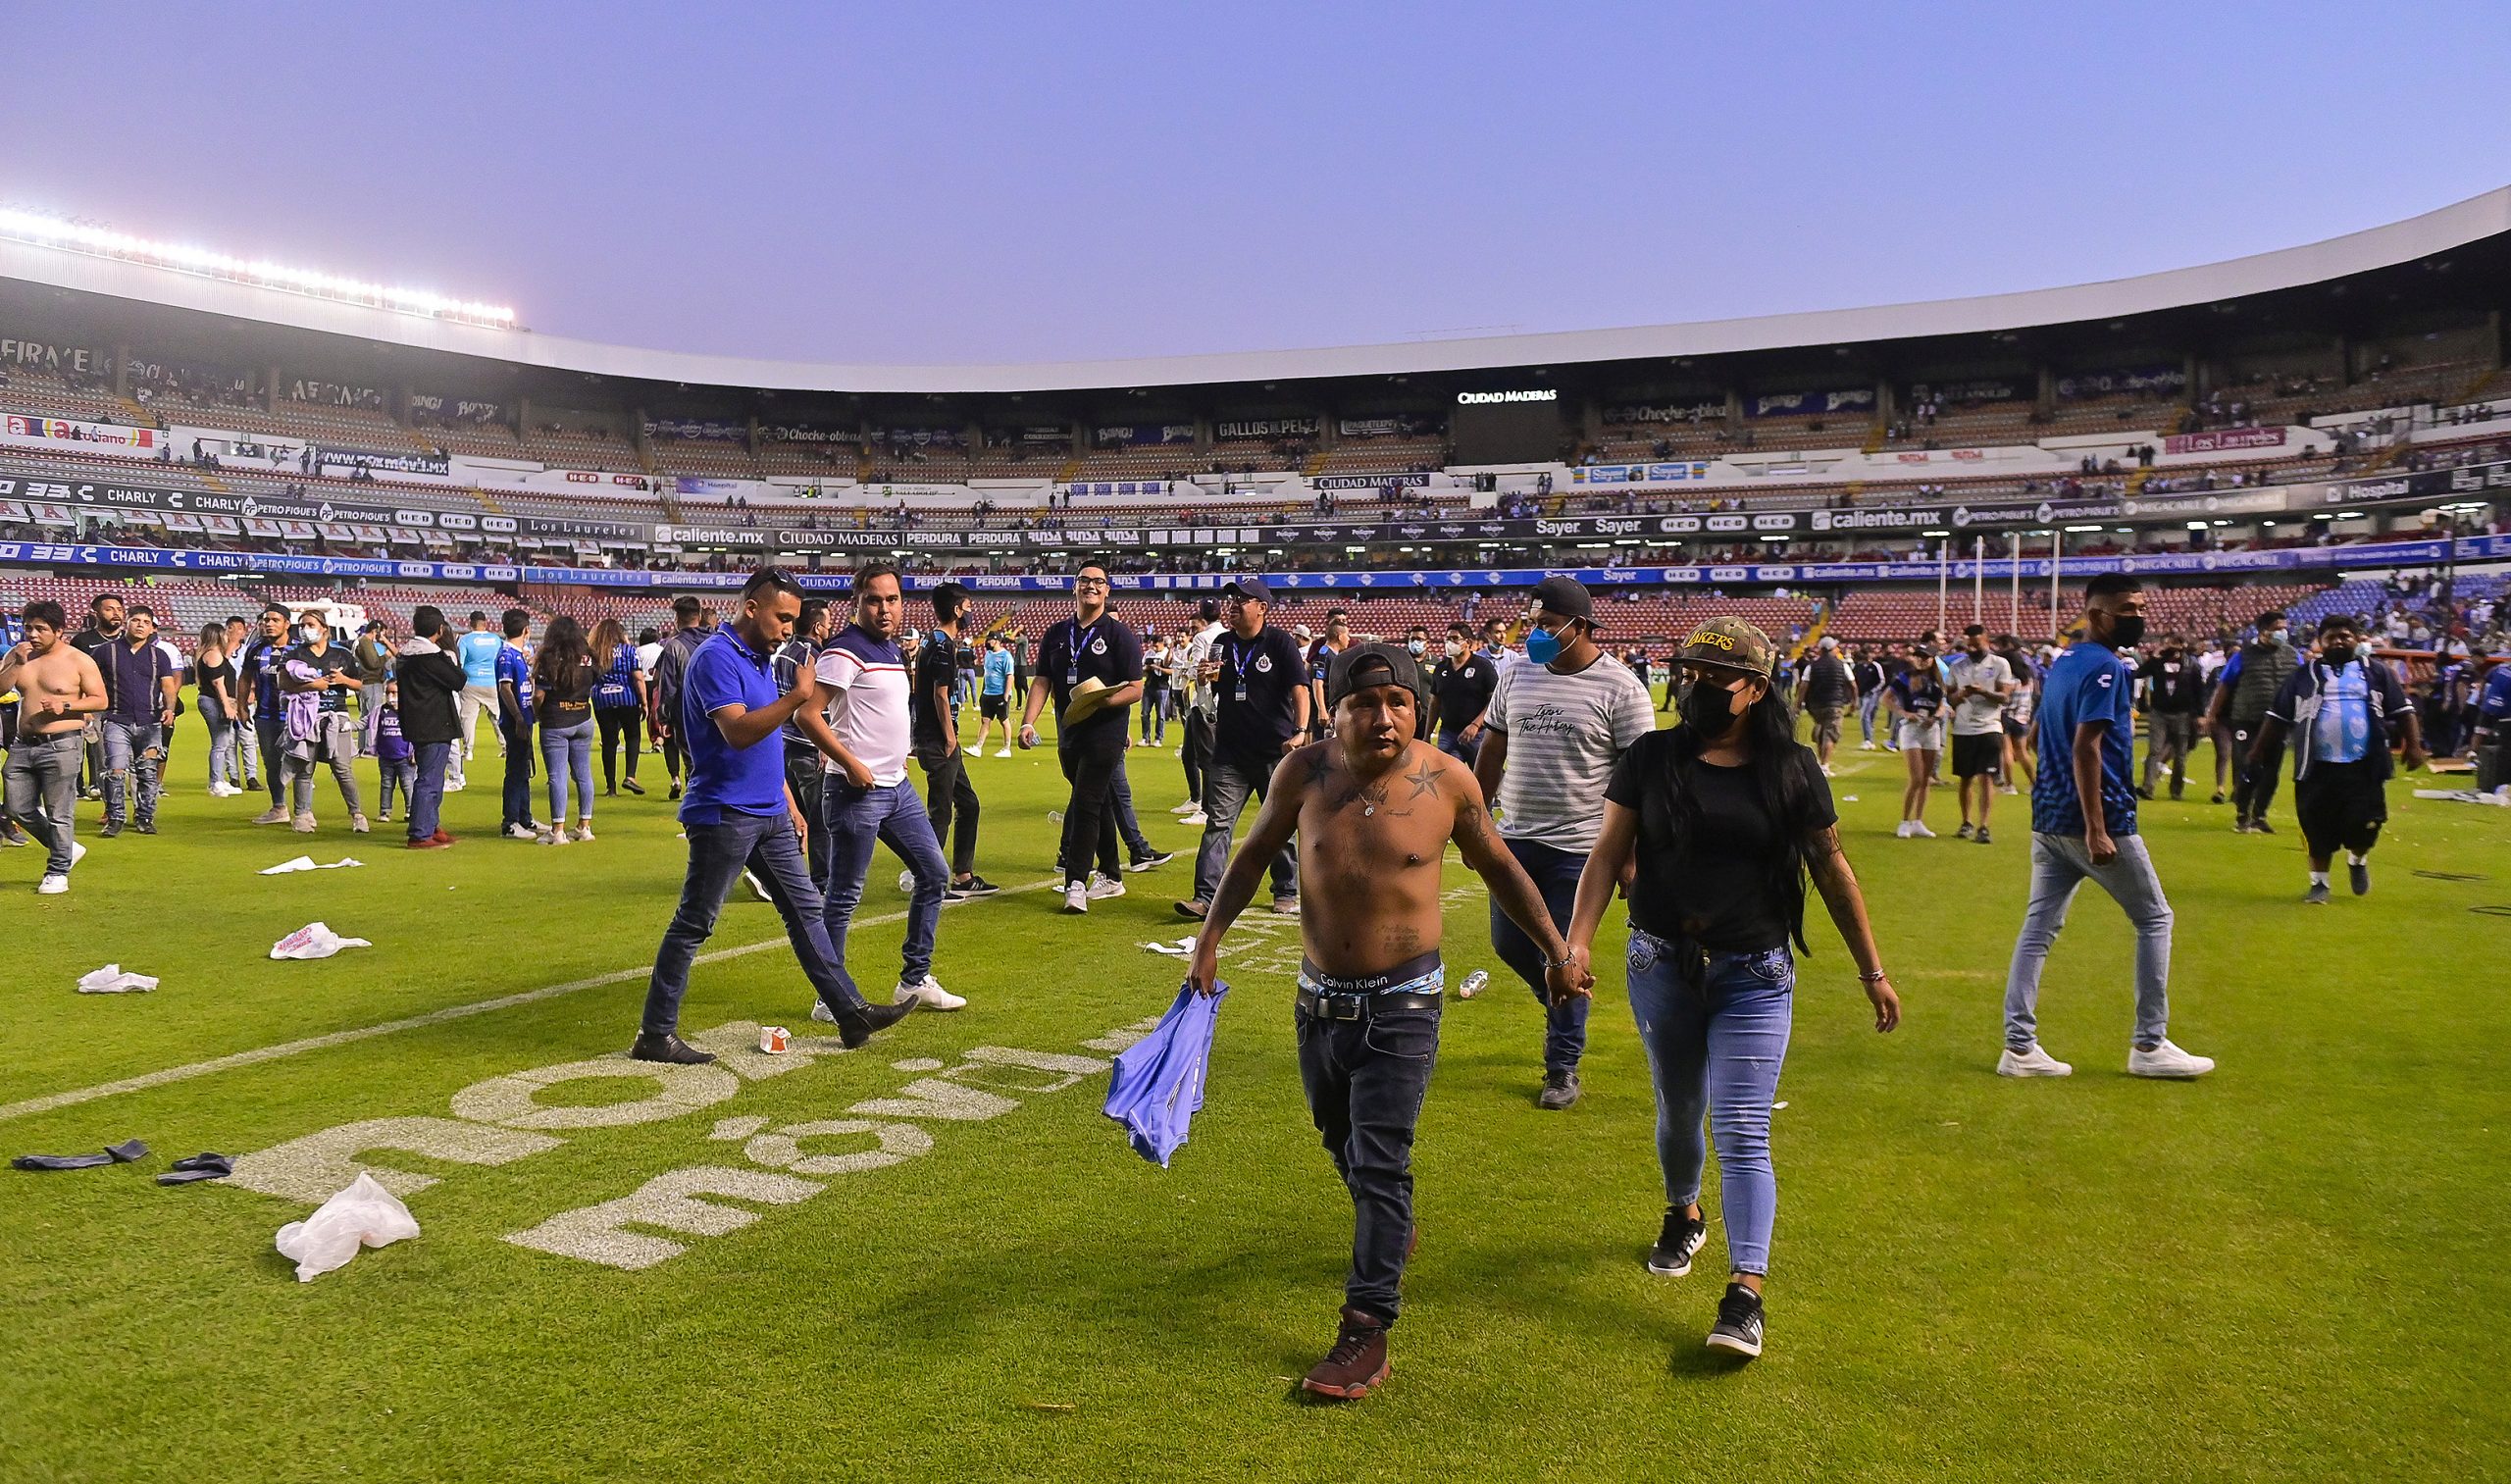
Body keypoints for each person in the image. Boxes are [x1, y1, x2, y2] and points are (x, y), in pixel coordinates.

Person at [1182, 642, 1590, 1401]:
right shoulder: (1302, 774)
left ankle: (1365, 1330)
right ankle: (1390, 1226)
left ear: (1418, 707)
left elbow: (1499, 864)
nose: (1383, 717)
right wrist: (1209, 939)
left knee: (1380, 1161)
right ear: (1333, 710)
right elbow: (1253, 852)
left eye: (1398, 702)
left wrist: (1559, 950)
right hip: (1318, 1002)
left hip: (1405, 1003)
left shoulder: (1448, 780)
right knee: (1340, 1141)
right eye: (1363, 703)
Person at [1563, 617, 1899, 1362]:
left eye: (1717, 678)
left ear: (1755, 688)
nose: (1698, 688)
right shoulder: (1651, 757)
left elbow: (1832, 870)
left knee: (1743, 1129)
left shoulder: (1790, 767)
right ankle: (1684, 1210)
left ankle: (1745, 1292)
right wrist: (1578, 936)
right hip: (1661, 963)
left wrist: (1870, 968)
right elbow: (1606, 854)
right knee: (1680, 1110)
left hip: (1753, 972)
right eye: (1690, 674)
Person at [633, 567, 916, 1065]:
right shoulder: (716, 658)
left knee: (807, 913)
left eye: (793, 620)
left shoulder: (760, 657)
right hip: (725, 813)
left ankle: (850, 1014)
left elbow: (763, 745)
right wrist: (796, 699)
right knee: (696, 921)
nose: (790, 628)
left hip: (768, 812)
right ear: (751, 609)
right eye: (782, 618)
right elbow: (738, 732)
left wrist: (786, 798)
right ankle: (655, 1033)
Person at [2000, 574, 2214, 1080]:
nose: (2138, 617)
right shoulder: (2104, 668)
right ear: (2097, 615)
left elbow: (2041, 733)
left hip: (2049, 817)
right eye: (2128, 609)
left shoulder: (2066, 661)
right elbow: (2086, 746)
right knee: (2154, 919)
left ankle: (2019, 1047)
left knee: (2039, 929)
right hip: (2096, 819)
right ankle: (2149, 1043)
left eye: (2141, 607)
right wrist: (2098, 828)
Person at [1472, 575, 1655, 1110]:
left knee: (1566, 950)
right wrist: (1474, 817)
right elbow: (1493, 746)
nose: (1536, 635)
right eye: (1533, 624)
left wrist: (1629, 856)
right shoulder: (1515, 672)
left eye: (1548, 626)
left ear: (1580, 627)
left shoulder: (1622, 688)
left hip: (1583, 848)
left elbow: (1640, 781)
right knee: (1509, 944)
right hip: (1514, 839)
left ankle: (1562, 1066)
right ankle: (1566, 994)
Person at [808, 563, 966, 1013]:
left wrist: (895, 761)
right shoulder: (843, 650)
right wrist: (851, 764)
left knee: (934, 873)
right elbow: (808, 714)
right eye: (874, 600)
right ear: (856, 602)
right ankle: (829, 997)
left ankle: (913, 981)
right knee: (843, 897)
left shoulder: (893, 650)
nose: (885, 608)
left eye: (893, 599)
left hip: (896, 787)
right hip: (856, 789)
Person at [2252, 615, 2425, 904]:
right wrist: (2257, 751)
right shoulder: (2302, 676)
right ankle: (2319, 884)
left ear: (2357, 640)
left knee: (2366, 824)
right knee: (2316, 826)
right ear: (2320, 642)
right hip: (2316, 767)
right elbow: (2276, 716)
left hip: (2364, 766)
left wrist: (2415, 747)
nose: (2338, 641)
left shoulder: (2377, 673)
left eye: (2345, 636)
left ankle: (2357, 860)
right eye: (2331, 637)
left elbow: (2404, 711)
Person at [1178, 575, 1308, 921]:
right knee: (1217, 824)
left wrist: (1300, 731)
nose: (1232, 606)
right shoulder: (1222, 641)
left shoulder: (1280, 643)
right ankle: (1205, 897)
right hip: (1230, 752)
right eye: (1231, 600)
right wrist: (1206, 677)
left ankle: (1286, 889)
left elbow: (1300, 689)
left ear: (1262, 608)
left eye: (1242, 601)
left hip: (1273, 752)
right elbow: (1217, 684)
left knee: (1279, 825)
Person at [1019, 560, 1146, 914]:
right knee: (1097, 801)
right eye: (1084, 580)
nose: (1091, 586)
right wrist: (1028, 722)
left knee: (1087, 801)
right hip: (1069, 731)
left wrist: (1101, 702)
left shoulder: (1120, 635)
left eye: (1099, 582)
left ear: (1107, 590)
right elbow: (1042, 681)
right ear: (1074, 586)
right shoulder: (1057, 634)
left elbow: (1135, 688)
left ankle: (1075, 881)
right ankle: (1112, 875)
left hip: (1106, 731)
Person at [2, 601, 103, 893]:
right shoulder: (18, 655)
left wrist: (66, 705)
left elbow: (100, 699)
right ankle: (67, 848)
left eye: (40, 629)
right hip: (22, 743)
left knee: (59, 811)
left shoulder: (78, 660)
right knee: (16, 807)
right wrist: (16, 664)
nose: (32, 634)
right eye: (28, 627)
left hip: (62, 743)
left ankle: (58, 870)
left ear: (59, 631)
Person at [913, 582, 996, 901]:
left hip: (939, 739)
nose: (970, 613)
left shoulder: (929, 641)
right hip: (939, 740)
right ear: (957, 609)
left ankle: (963, 875)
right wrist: (950, 736)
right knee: (941, 812)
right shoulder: (943, 645)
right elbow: (940, 694)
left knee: (969, 805)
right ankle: (927, 879)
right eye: (968, 607)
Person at [94, 603, 179, 838]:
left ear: (152, 628)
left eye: (146, 622)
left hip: (150, 722)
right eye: (136, 620)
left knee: (148, 772)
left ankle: (145, 817)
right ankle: (115, 818)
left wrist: (169, 709)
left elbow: (168, 686)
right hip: (116, 720)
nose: (141, 625)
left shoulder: (159, 655)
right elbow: (89, 680)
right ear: (126, 622)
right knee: (115, 769)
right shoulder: (105, 651)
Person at [280, 610, 367, 834]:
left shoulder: (342, 654)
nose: (305, 629)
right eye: (302, 625)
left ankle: (357, 814)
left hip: (336, 716)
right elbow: (283, 683)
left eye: (310, 624)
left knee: (342, 769)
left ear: (324, 629)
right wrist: (313, 686)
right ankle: (303, 815)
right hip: (305, 718)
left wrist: (343, 680)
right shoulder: (294, 653)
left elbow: (360, 685)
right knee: (304, 768)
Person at [2212, 611, 2297, 833]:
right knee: (2248, 766)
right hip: (2247, 719)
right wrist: (2212, 714)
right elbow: (2225, 686)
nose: (2283, 632)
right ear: (2263, 631)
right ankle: (2242, 813)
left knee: (2272, 771)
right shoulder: (2243, 656)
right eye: (2278, 628)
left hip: (2278, 721)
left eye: (2284, 627)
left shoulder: (2292, 655)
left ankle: (2260, 815)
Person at [394, 605, 465, 849]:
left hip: (416, 722)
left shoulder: (405, 655)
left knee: (430, 776)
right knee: (430, 779)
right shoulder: (431, 657)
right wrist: (448, 654)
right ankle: (421, 832)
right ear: (440, 629)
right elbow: (458, 679)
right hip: (435, 723)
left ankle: (431, 825)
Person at [776, 598, 835, 886]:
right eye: (827, 621)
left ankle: (788, 874)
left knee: (793, 816)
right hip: (810, 746)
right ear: (817, 626)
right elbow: (816, 706)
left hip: (786, 742)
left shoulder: (785, 653)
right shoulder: (815, 658)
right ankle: (822, 879)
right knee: (819, 817)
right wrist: (825, 745)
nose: (831, 626)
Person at [533, 614, 599, 844]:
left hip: (555, 720)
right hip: (583, 718)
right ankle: (584, 826)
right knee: (584, 775)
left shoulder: (548, 658)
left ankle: (557, 831)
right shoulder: (589, 657)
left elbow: (539, 695)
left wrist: (537, 712)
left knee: (557, 776)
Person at [1945, 624, 2014, 844]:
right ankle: (1966, 822)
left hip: (1989, 727)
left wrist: (1983, 691)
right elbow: (1950, 698)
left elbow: (2005, 697)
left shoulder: (1999, 664)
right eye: (1969, 644)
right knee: (1965, 778)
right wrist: (1962, 693)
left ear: (1986, 641)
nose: (1972, 648)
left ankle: (1984, 825)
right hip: (1963, 728)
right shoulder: (1957, 666)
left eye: (1977, 644)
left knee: (1986, 778)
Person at [648, 595, 710, 801]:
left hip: (687, 712)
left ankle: (698, 818)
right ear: (699, 616)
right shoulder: (716, 641)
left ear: (676, 619)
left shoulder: (673, 646)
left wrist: (663, 717)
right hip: (718, 710)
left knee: (693, 764)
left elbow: (668, 685)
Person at [237, 604, 293, 822]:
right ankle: (279, 808)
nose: (269, 624)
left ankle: (303, 811)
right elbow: (244, 677)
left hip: (295, 718)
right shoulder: (256, 648)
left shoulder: (299, 648)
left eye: (275, 620)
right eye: (266, 620)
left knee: (300, 764)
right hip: (266, 716)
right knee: (272, 764)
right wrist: (241, 706)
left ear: (287, 624)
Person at [2137, 636, 2206, 801]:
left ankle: (2176, 790)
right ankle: (2148, 787)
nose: (2173, 650)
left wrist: (2200, 715)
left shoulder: (2193, 666)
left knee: (2181, 755)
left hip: (2182, 713)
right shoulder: (2158, 663)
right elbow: (2139, 673)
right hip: (2159, 712)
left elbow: (2199, 692)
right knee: (2154, 750)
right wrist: (2154, 657)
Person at [1175, 597, 1225, 821]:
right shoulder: (1227, 636)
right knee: (1189, 752)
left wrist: (1187, 670)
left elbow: (1197, 671)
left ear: (1202, 614)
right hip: (1220, 698)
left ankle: (1207, 809)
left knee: (1205, 756)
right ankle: (1196, 799)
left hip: (1203, 700)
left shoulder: (1201, 638)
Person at [1888, 647, 1946, 838]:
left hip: (1931, 728)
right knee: (1916, 777)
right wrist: (1904, 713)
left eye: (1926, 657)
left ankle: (1918, 821)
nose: (1922, 660)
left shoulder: (1938, 679)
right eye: (1919, 657)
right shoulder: (1905, 677)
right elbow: (1886, 698)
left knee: (1926, 779)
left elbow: (1942, 705)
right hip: (1911, 728)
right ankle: (1904, 821)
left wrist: (1936, 717)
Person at [589, 616, 648, 797]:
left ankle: (611, 787)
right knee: (632, 736)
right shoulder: (629, 651)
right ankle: (630, 776)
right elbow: (638, 678)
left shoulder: (595, 653)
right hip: (627, 698)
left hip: (602, 700)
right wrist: (644, 702)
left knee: (609, 741)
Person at [1425, 623, 1498, 764]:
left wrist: (1475, 725)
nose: (1449, 643)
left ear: (1468, 642)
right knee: (1446, 776)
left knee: (1478, 777)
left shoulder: (1483, 666)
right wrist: (1427, 735)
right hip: (1448, 733)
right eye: (1447, 639)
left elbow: (1494, 700)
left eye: (1454, 639)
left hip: (1476, 735)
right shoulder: (1441, 668)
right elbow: (1435, 703)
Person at [495, 608, 538, 840]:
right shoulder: (506, 655)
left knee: (523, 768)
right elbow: (505, 688)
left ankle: (525, 817)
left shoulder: (520, 654)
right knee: (515, 770)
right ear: (526, 630)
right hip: (515, 721)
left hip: (525, 717)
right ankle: (510, 822)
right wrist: (519, 718)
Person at [193, 622, 243, 797]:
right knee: (220, 743)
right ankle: (216, 782)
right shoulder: (213, 654)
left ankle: (219, 780)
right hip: (213, 701)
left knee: (222, 742)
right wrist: (226, 705)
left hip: (213, 700)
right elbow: (218, 683)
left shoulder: (212, 654)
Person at [1794, 635, 1856, 775]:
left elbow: (1803, 686)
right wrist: (1854, 702)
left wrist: (1797, 704)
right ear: (1832, 649)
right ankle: (1824, 765)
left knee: (1822, 731)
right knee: (1830, 734)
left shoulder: (1812, 666)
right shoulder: (1842, 665)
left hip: (1815, 705)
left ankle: (1820, 759)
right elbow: (1853, 685)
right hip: (1835, 703)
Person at [454, 610, 503, 783]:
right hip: (491, 681)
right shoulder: (496, 639)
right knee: (497, 716)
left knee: (468, 718)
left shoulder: (465, 640)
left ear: (470, 623)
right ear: (485, 622)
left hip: (471, 682)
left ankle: (468, 751)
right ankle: (505, 746)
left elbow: (460, 662)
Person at [222, 614, 260, 793]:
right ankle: (234, 777)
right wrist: (229, 646)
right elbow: (219, 669)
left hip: (245, 700)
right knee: (229, 741)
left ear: (245, 631)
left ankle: (251, 776)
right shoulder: (220, 651)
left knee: (248, 739)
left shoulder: (249, 651)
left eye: (239, 628)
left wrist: (252, 692)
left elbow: (254, 674)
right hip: (226, 700)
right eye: (231, 628)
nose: (235, 632)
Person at [369, 680, 416, 823]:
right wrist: (348, 725)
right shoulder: (381, 711)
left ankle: (411, 810)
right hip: (385, 756)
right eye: (388, 692)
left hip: (405, 757)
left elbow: (418, 732)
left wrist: (416, 752)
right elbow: (367, 722)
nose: (391, 696)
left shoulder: (410, 711)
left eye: (394, 693)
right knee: (386, 784)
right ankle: (385, 811)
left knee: (407, 784)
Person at [1305, 608, 1353, 739]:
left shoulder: (1334, 655)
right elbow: (1317, 683)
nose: (1348, 639)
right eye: (1346, 635)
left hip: (1331, 708)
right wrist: (1322, 710)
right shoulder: (1324, 654)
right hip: (1324, 709)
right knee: (1323, 747)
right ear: (1340, 636)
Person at [976, 632, 1016, 756]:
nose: (987, 642)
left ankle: (1007, 748)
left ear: (997, 641)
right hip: (988, 693)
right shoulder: (988, 654)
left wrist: (1006, 695)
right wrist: (983, 691)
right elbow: (986, 674)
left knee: (1004, 721)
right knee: (985, 721)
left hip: (999, 693)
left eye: (990, 640)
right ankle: (978, 747)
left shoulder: (1006, 656)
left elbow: (1010, 676)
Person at [353, 620, 393, 735]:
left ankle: (363, 745)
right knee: (374, 716)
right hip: (372, 683)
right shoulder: (365, 642)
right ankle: (370, 744)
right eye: (382, 633)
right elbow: (373, 663)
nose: (383, 637)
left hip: (365, 683)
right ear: (376, 631)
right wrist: (387, 656)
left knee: (365, 716)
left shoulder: (360, 641)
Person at [1852, 645, 1888, 750]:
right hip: (1862, 694)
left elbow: (1882, 680)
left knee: (1864, 716)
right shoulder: (1859, 667)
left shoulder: (1875, 666)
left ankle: (1868, 740)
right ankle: (1868, 738)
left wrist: (1873, 691)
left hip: (1872, 694)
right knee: (1867, 717)